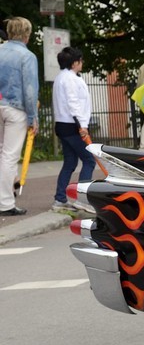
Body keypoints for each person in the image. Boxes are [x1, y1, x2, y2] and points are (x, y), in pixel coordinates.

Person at [0, 17, 41, 216]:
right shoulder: (27, 56)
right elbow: (30, 90)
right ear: (27, 35)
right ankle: (6, 203)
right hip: (15, 109)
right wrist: (33, 117)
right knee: (9, 157)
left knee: (1, 154)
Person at [51, 46, 96, 209]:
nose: (82, 63)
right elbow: (73, 103)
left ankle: (60, 198)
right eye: (80, 60)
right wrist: (82, 126)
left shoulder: (60, 78)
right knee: (89, 160)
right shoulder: (71, 79)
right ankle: (82, 199)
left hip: (63, 125)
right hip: (73, 126)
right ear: (75, 63)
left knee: (70, 162)